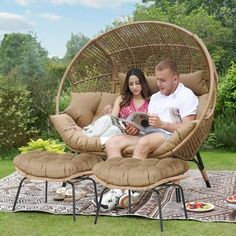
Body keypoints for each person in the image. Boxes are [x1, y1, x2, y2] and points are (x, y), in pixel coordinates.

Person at [100, 59, 199, 210]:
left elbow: (188, 127)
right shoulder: (156, 97)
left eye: (163, 80)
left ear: (175, 79)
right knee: (112, 143)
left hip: (168, 136)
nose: (158, 84)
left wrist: (163, 124)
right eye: (157, 80)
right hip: (148, 134)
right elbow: (146, 125)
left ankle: (130, 189)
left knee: (143, 143)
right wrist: (134, 128)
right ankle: (117, 186)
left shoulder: (186, 96)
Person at [55, 68, 151, 202]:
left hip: (137, 136)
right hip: (119, 131)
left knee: (111, 131)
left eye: (137, 83)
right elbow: (113, 118)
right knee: (108, 122)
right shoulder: (122, 99)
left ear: (143, 83)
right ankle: (85, 133)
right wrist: (110, 112)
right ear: (127, 86)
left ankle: (84, 133)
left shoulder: (150, 102)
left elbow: (150, 127)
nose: (135, 87)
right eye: (131, 84)